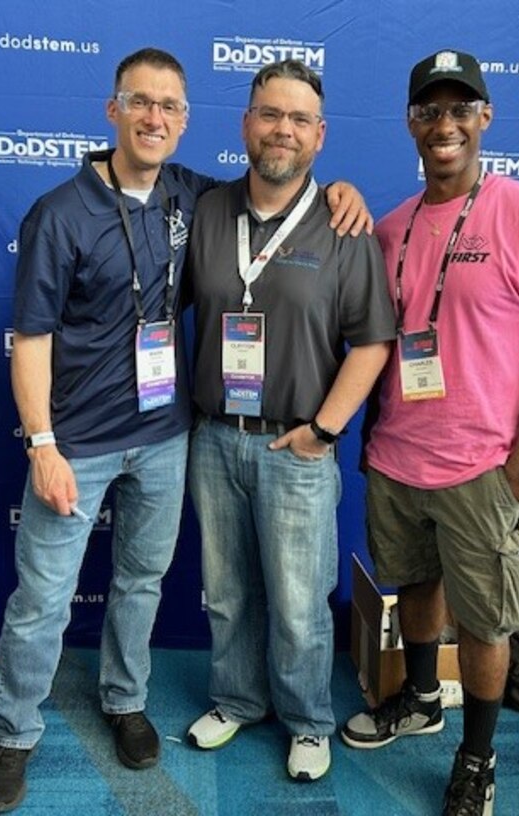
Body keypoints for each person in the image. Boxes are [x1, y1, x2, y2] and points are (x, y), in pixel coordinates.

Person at [0, 47, 370, 814]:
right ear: (113, 111)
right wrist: (43, 443)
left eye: (170, 107)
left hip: (164, 437)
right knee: (42, 602)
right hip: (76, 446)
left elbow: (279, 186)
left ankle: (125, 702)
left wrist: (340, 191)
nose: (155, 118)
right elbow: (30, 339)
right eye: (141, 102)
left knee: (140, 583)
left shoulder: (195, 198)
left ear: (187, 121)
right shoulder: (59, 213)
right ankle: (13, 736)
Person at [339, 49, 519, 816]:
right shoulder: (390, 228)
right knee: (414, 585)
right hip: (395, 459)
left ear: (485, 118)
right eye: (428, 111)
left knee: (485, 621)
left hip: (484, 468)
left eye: (460, 109)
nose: (444, 124)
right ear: (411, 123)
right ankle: (419, 697)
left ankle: (478, 758)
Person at [184, 59, 396, 783]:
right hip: (214, 439)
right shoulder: (206, 210)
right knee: (228, 591)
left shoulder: (345, 226)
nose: (283, 130)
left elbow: (372, 343)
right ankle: (238, 699)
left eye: (299, 119)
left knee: (301, 602)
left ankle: (308, 721)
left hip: (298, 446)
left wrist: (326, 431)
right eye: (270, 114)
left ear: (320, 135)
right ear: (246, 124)